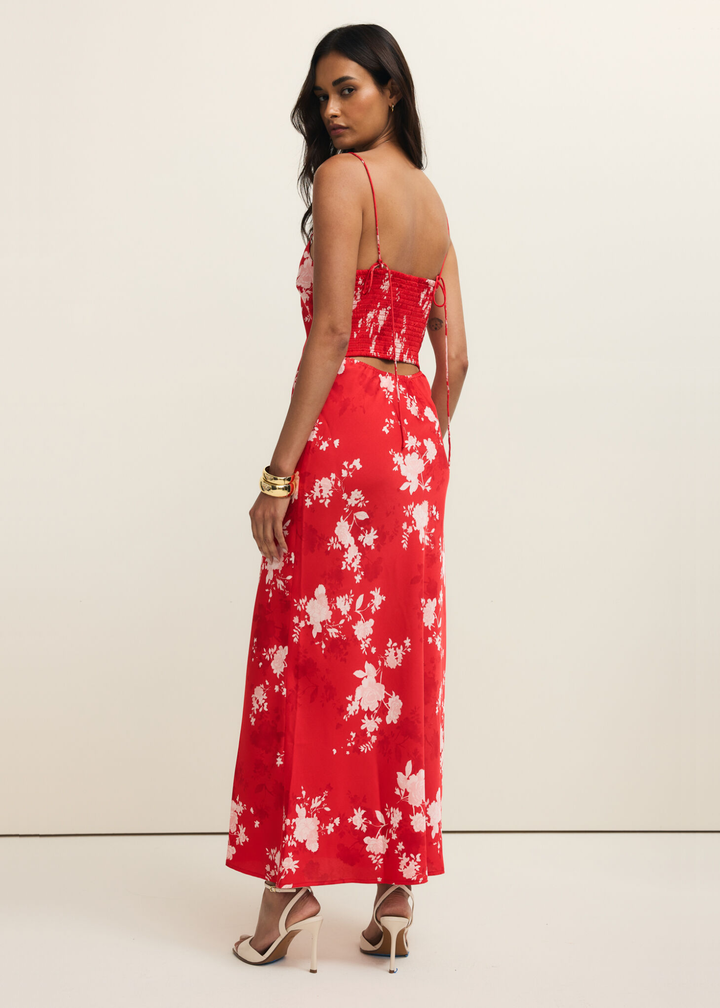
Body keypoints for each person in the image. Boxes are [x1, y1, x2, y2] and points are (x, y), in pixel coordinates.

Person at [226, 23, 468, 974]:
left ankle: (289, 892)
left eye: (347, 89)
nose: (329, 110)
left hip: (350, 424)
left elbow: (329, 332)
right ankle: (397, 891)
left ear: (392, 91)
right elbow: (456, 357)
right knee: (398, 655)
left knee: (315, 656)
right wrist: (420, 452)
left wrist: (280, 473)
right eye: (320, 94)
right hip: (413, 441)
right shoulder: (435, 200)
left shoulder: (343, 180)